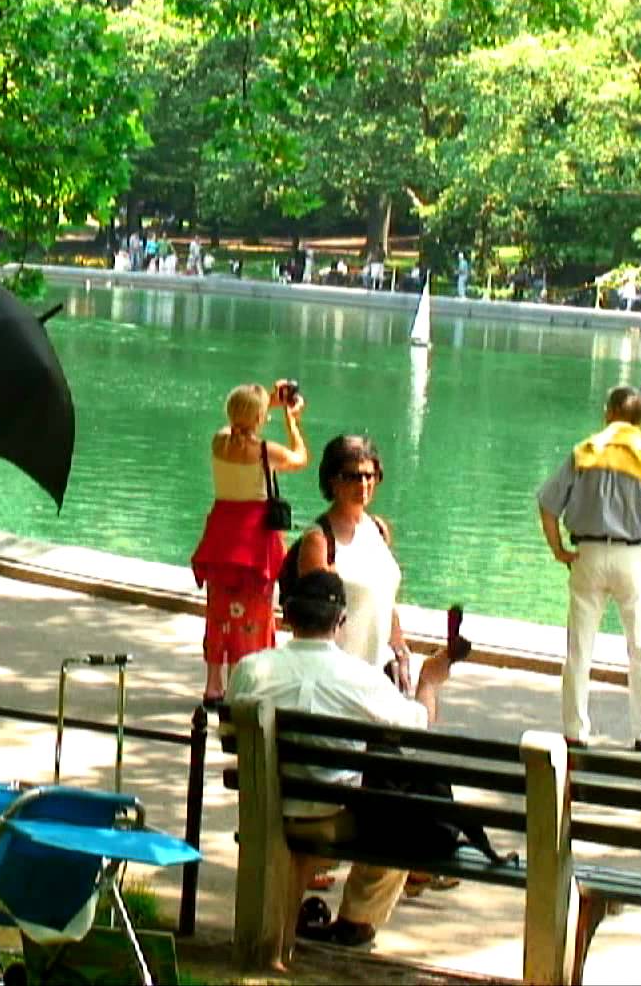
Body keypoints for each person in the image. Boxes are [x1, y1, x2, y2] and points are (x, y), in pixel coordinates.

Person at [228, 570, 453, 965]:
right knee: (398, 816)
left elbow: (229, 730)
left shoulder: (251, 669)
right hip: (331, 818)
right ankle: (356, 922)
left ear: (286, 616)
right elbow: (418, 731)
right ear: (341, 622)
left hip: (267, 808)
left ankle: (295, 924)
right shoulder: (361, 679)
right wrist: (429, 683)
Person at [537, 385, 641, 751]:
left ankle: (575, 730)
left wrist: (559, 550)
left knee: (579, 647)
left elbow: (548, 505)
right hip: (633, 556)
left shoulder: (584, 453)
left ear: (608, 414)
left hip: (587, 553)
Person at [191, 382, 308, 703]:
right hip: (255, 544)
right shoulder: (265, 452)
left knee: (218, 615)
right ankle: (243, 683)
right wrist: (290, 418)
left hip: (220, 539)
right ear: (259, 418)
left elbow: (239, 422)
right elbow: (300, 458)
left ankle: (213, 684)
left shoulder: (219, 443)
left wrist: (264, 403)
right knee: (254, 618)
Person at [296, 436, 406, 674]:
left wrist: (399, 646)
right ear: (333, 480)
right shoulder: (319, 540)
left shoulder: (378, 528)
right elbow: (310, 623)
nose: (364, 484)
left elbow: (387, 599)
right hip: (337, 673)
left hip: (380, 670)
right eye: (353, 476)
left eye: (370, 475)